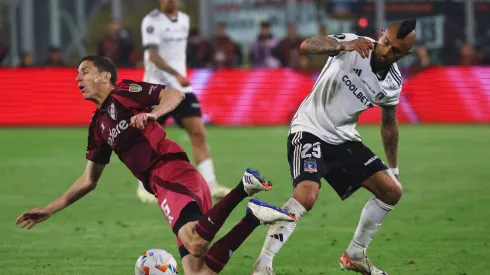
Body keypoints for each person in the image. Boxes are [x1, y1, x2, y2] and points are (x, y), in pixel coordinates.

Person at [16, 56, 296, 275]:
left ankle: (243, 188)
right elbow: (89, 180)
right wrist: (49, 209)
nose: (78, 77)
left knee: (195, 242)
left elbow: (174, 95)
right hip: (167, 182)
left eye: (84, 71)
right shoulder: (98, 126)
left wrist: (154, 115)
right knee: (198, 271)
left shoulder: (124, 91)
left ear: (105, 76)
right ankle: (253, 218)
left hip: (168, 171)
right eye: (77, 74)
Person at [252, 19, 417, 275]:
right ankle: (263, 264)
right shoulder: (354, 43)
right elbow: (308, 45)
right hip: (309, 129)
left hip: (343, 139)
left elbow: (389, 125)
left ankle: (355, 254)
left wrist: (393, 168)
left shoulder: (393, 84)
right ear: (381, 34)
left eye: (395, 50)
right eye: (386, 43)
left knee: (392, 191)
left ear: (406, 54)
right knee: (306, 196)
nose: (386, 51)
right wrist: (346, 45)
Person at [139, 0, 230, 203]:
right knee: (151, 138)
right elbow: (153, 56)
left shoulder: (185, 20)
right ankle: (143, 187)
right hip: (158, 87)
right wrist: (175, 74)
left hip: (182, 88)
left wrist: (179, 76)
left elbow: (175, 53)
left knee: (198, 132)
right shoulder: (151, 21)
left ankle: (211, 182)